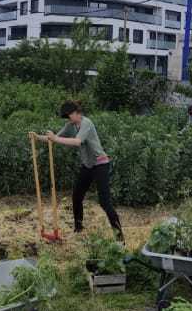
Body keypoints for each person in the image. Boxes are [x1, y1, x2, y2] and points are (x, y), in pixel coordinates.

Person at [29, 100, 124, 242]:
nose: (68, 119)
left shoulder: (86, 123)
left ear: (75, 112)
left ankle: (120, 239)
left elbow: (77, 142)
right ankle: (78, 229)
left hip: (100, 164)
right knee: (76, 196)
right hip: (87, 166)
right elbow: (54, 138)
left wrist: (55, 138)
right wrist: (37, 137)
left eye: (68, 116)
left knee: (104, 202)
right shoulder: (71, 125)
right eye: (66, 118)